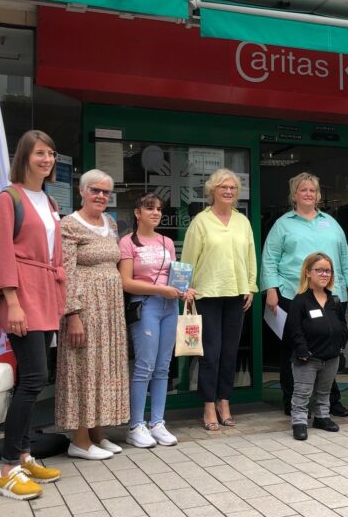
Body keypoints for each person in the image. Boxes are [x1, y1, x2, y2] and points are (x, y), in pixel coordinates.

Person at [0, 130, 66, 500]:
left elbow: (55, 255)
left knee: (33, 380)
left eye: (50, 153)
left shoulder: (47, 200)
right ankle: (7, 469)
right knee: (33, 378)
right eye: (39, 154)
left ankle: (25, 454)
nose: (46, 160)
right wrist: (12, 302)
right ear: (24, 157)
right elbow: (0, 252)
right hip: (22, 294)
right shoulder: (9, 197)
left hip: (44, 293)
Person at [260, 172, 348, 417]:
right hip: (292, 295)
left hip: (329, 296)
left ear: (318, 195)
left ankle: (330, 401)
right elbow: (269, 259)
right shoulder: (283, 224)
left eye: (312, 190)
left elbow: (345, 258)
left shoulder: (331, 223)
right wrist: (271, 290)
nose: (308, 194)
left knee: (330, 350)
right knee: (294, 349)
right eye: (303, 189)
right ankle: (292, 400)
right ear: (294, 194)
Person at [56, 169, 129, 459]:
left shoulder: (110, 223)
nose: (101, 196)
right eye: (95, 190)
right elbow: (65, 272)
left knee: (104, 368)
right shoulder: (69, 225)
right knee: (83, 368)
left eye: (106, 192)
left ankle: (98, 433)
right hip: (85, 306)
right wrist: (72, 313)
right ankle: (80, 439)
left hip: (110, 308)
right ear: (82, 192)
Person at [181, 168, 257, 431]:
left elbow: (250, 256)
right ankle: (208, 405)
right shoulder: (200, 222)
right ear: (212, 190)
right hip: (207, 294)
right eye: (223, 187)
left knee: (230, 352)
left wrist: (251, 286)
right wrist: (186, 289)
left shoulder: (242, 221)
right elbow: (188, 259)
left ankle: (225, 401)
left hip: (236, 294)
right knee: (210, 354)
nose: (228, 191)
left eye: (233, 188)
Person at [119, 192, 195, 448]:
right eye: (149, 208)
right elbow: (127, 282)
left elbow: (174, 276)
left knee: (163, 366)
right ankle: (135, 425)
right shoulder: (127, 242)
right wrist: (163, 290)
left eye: (159, 209)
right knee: (145, 366)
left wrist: (185, 289)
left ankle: (158, 422)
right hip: (145, 306)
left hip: (169, 306)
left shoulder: (166, 241)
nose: (155, 213)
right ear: (137, 213)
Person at [285, 253, 347, 441]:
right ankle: (299, 422)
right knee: (302, 392)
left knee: (324, 391)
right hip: (308, 358)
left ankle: (322, 417)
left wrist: (340, 346)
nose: (324, 274)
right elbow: (293, 329)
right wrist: (302, 349)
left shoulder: (334, 300)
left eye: (327, 270)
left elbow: (342, 326)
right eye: (319, 270)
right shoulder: (300, 301)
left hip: (331, 356)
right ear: (308, 273)